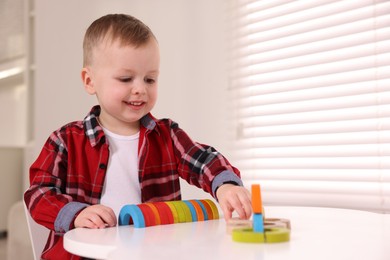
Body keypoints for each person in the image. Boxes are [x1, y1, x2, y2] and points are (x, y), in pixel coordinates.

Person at [24, 14, 252, 259]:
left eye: (150, 79)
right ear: (90, 81)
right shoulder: (65, 141)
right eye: (125, 79)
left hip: (153, 253)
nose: (140, 89)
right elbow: (38, 193)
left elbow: (203, 160)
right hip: (86, 254)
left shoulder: (167, 135)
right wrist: (75, 214)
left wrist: (225, 184)